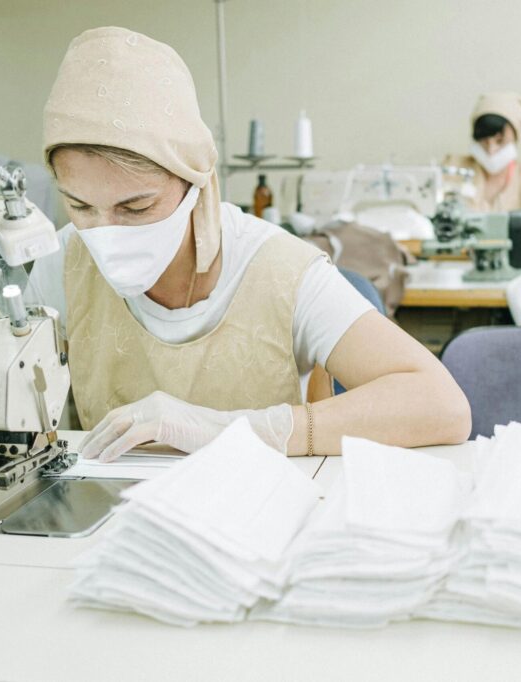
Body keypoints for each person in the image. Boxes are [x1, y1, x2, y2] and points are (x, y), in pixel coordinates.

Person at [28, 27, 471, 461]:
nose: (106, 235)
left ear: (194, 180)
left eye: (137, 207)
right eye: (80, 205)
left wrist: (241, 430)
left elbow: (442, 406)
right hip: (120, 520)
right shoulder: (63, 262)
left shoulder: (282, 272)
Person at [443, 92, 521, 238]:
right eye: (484, 140)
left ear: (515, 137)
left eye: (500, 141)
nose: (491, 149)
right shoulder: (454, 168)